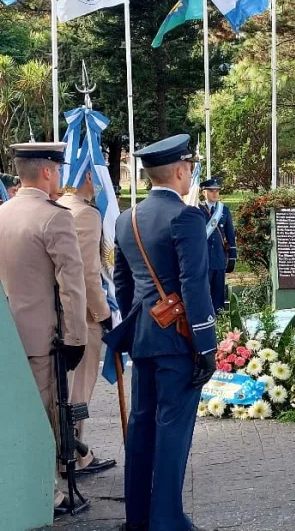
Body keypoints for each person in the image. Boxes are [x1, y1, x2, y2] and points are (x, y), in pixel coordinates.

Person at [105, 134, 217, 530]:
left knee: (141, 427)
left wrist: (138, 328)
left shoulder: (125, 219)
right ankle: (166, 520)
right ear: (181, 170)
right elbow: (194, 285)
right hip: (178, 341)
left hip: (143, 338)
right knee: (172, 432)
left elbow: (123, 286)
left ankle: (137, 517)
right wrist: (206, 345)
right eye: (190, 168)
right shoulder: (186, 217)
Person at [0, 142, 89, 517]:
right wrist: (77, 338)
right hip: (42, 339)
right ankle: (46, 495)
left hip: (10, 334)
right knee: (46, 418)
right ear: (49, 171)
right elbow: (72, 284)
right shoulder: (55, 217)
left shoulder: (3, 212)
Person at [56, 170, 117, 475]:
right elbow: (88, 274)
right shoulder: (86, 214)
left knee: (60, 389)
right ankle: (76, 454)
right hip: (81, 317)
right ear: (89, 177)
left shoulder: (57, 205)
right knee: (78, 389)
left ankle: (67, 453)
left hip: (53, 316)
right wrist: (105, 314)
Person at [198, 178, 237, 313]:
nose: (215, 194)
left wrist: (232, 257)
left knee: (218, 290)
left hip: (219, 257)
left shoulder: (224, 210)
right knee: (204, 290)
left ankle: (219, 318)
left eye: (217, 191)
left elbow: (230, 235)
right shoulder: (197, 210)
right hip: (202, 258)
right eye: (211, 191)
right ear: (204, 192)